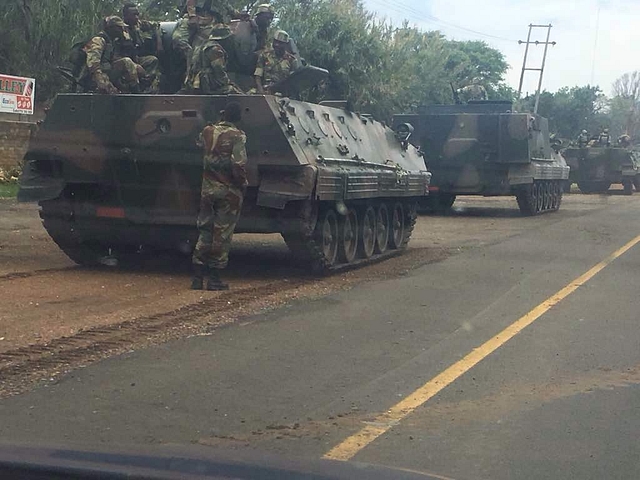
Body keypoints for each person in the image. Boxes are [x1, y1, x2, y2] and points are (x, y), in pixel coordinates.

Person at [192, 101, 248, 291]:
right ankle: (214, 278)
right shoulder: (238, 136)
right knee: (222, 234)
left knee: (205, 230)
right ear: (238, 118)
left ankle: (197, 277)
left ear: (223, 115)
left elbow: (198, 143)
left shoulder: (207, 131)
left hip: (207, 189)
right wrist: (242, 184)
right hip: (228, 191)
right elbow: (238, 164)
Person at [82, 16, 142, 94]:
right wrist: (101, 81)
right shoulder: (99, 40)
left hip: (107, 72)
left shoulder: (112, 42)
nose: (122, 30)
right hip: (95, 76)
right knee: (126, 61)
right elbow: (93, 63)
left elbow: (115, 60)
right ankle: (136, 94)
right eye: (119, 28)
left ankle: (136, 92)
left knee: (128, 63)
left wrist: (135, 66)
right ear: (111, 28)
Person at [182, 24, 243, 94]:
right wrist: (228, 83)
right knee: (234, 91)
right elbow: (219, 71)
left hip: (198, 83)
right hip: (208, 85)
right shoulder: (216, 50)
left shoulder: (202, 46)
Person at [120, 3, 162, 93]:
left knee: (152, 60)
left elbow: (156, 25)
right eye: (133, 15)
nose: (137, 17)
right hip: (122, 60)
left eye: (137, 14)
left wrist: (159, 43)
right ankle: (133, 89)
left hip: (136, 57)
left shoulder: (138, 24)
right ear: (126, 16)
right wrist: (135, 65)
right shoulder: (119, 29)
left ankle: (144, 85)